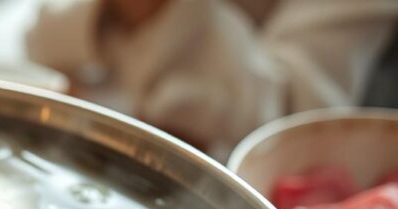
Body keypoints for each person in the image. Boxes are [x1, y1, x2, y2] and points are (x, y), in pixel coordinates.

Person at [26, 0, 398, 156]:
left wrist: (158, 10)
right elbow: (42, 39)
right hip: (89, 130)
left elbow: (298, 124)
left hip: (228, 180)